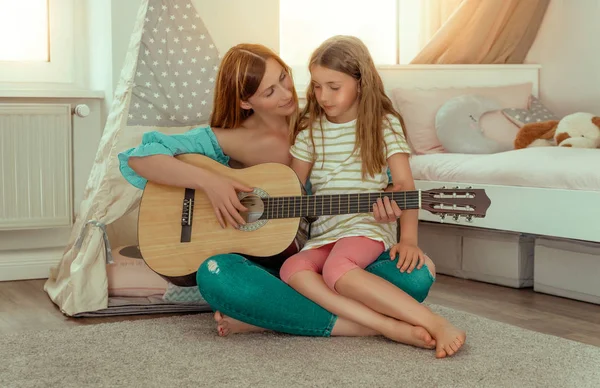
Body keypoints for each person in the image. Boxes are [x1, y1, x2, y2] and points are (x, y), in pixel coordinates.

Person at [118, 43, 438, 351]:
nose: (287, 94)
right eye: (270, 91)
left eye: (284, 78)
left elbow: (388, 181)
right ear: (246, 102)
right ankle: (371, 325)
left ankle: (271, 317)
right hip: (279, 266)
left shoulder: (319, 119)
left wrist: (394, 215)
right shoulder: (227, 139)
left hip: (333, 254)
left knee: (416, 277)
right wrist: (210, 182)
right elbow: (139, 159)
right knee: (216, 274)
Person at [279, 35, 466, 358]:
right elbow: (291, 187)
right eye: (317, 86)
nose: (323, 96)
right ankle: (386, 326)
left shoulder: (383, 124)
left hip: (365, 227)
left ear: (360, 83)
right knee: (292, 269)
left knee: (337, 269)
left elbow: (405, 187)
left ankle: (434, 322)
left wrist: (408, 239)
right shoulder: (310, 130)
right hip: (325, 233)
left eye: (334, 86)